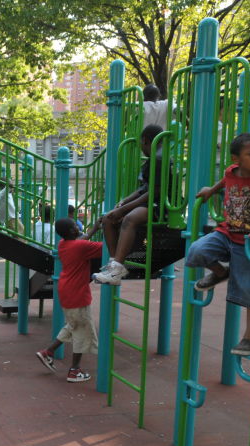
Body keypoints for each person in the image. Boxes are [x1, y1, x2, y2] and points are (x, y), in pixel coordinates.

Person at [185, 132, 250, 355]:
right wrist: (211, 190)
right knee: (196, 250)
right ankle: (220, 272)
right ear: (237, 160)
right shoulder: (231, 171)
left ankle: (249, 338)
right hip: (226, 232)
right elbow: (226, 180)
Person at [93, 125, 167, 285]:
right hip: (149, 202)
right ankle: (114, 266)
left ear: (145, 141)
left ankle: (117, 268)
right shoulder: (153, 158)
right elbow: (143, 188)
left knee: (129, 219)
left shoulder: (160, 159)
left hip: (159, 206)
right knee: (108, 219)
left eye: (141, 143)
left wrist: (124, 210)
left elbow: (155, 192)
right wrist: (123, 202)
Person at [35, 218, 103, 382]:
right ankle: (74, 370)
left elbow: (81, 241)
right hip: (77, 294)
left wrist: (94, 229)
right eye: (75, 225)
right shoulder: (80, 247)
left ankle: (48, 352)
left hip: (66, 291)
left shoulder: (63, 244)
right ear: (72, 231)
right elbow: (105, 249)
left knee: (73, 324)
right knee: (82, 331)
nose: (78, 226)